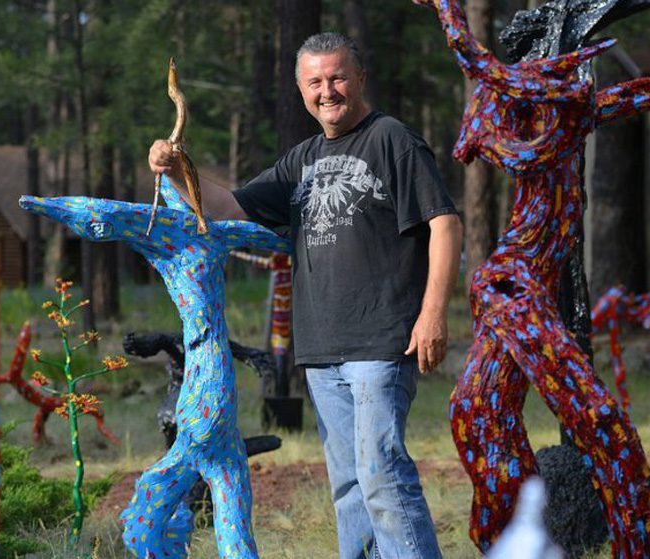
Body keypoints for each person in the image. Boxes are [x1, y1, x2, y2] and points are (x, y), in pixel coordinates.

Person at [149, 32, 462, 559]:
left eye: (338, 77)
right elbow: (229, 208)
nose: (327, 91)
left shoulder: (392, 140)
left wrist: (433, 314)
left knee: (381, 473)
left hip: (382, 341)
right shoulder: (302, 160)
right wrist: (178, 169)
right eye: (315, 82)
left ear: (360, 78)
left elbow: (445, 224)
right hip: (321, 349)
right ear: (301, 90)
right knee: (348, 485)